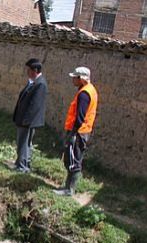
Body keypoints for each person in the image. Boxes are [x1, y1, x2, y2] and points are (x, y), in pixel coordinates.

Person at [54, 67, 99, 196]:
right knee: (74, 158)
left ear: (82, 79)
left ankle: (69, 189)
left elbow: (80, 117)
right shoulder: (90, 90)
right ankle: (68, 187)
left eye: (75, 77)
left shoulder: (84, 94)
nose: (73, 79)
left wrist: (73, 133)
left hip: (79, 131)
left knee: (73, 160)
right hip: (83, 130)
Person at [12, 58, 48, 173]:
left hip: (27, 120)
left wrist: (26, 120)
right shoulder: (33, 82)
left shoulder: (40, 84)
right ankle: (22, 163)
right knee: (23, 142)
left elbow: (35, 105)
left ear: (35, 70)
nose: (27, 72)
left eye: (29, 70)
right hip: (24, 119)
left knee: (23, 143)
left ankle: (22, 167)